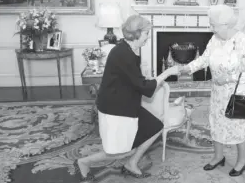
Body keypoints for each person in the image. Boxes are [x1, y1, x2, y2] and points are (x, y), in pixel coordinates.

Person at [74, 15, 179, 181]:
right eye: (146, 33)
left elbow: (136, 80)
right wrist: (166, 73)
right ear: (136, 34)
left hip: (127, 102)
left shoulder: (130, 49)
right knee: (119, 151)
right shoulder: (123, 53)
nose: (148, 37)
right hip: (116, 108)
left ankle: (132, 163)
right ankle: (83, 162)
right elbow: (144, 87)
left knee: (156, 126)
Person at [178, 5, 245, 177]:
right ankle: (218, 156)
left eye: (214, 24)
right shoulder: (214, 39)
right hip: (218, 92)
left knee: (237, 126)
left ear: (226, 24)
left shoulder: (242, 40)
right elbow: (204, 59)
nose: (211, 28)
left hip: (238, 92)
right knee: (216, 123)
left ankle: (242, 160)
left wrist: (229, 78)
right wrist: (186, 68)